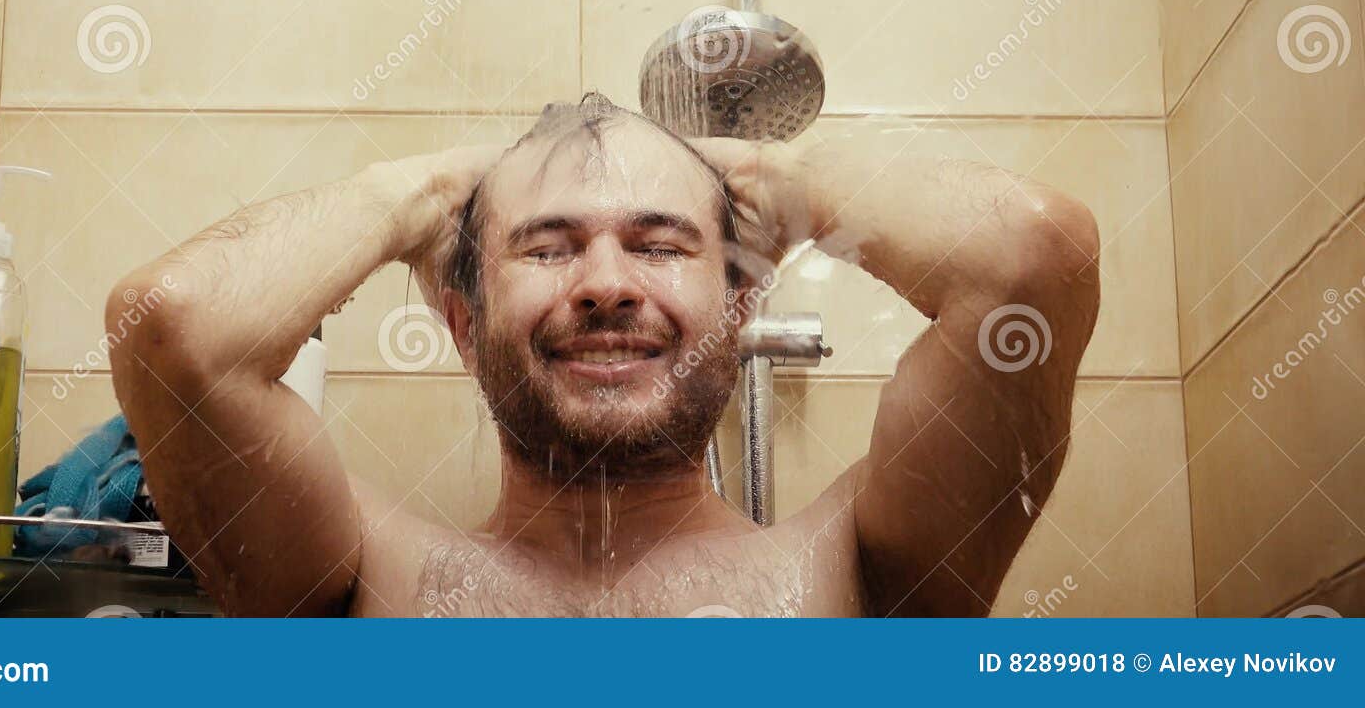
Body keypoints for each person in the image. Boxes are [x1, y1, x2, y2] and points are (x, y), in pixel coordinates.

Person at [108, 93, 1100, 616]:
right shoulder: (358, 577)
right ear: (459, 323)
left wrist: (773, 174)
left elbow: (1032, 261)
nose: (607, 283)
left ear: (742, 307)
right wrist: (415, 194)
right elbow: (172, 327)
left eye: (661, 245)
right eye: (544, 247)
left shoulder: (867, 571)